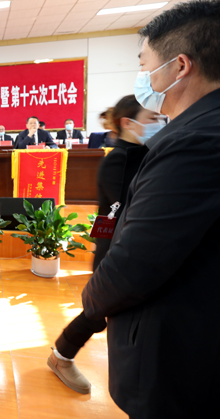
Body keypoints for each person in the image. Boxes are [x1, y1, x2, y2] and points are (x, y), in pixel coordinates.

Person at [83, 0, 220, 418]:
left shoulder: (196, 142)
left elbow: (136, 262)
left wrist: (93, 299)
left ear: (179, 66)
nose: (143, 75)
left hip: (186, 358)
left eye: (144, 63)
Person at [47, 95, 161, 393]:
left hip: (127, 245)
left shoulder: (147, 152)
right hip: (116, 247)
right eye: (151, 118)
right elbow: (117, 211)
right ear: (128, 123)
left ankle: (63, 355)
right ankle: (62, 356)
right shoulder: (118, 159)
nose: (158, 123)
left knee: (107, 310)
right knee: (99, 311)